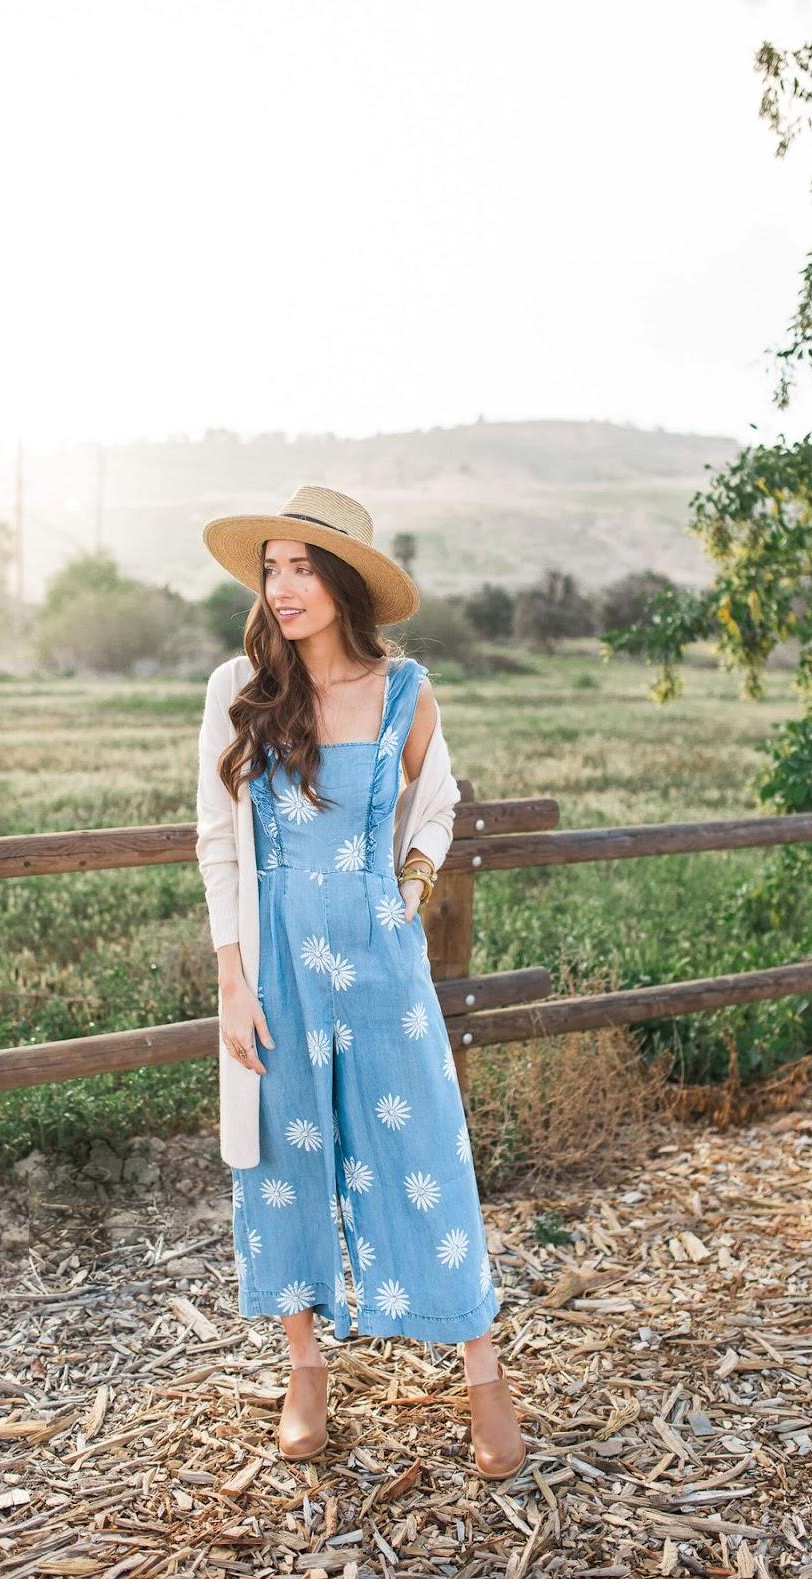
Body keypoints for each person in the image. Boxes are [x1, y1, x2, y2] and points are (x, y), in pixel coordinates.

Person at [196, 484, 526, 1478]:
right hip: (277, 970)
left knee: (425, 1145)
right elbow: (217, 841)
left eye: (302, 567)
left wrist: (413, 883)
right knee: (281, 1167)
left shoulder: (404, 688)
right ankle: (304, 1370)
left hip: (381, 967)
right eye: (271, 568)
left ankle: (482, 1370)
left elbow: (439, 799)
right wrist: (230, 979)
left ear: (342, 584)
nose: (282, 587)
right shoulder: (236, 690)